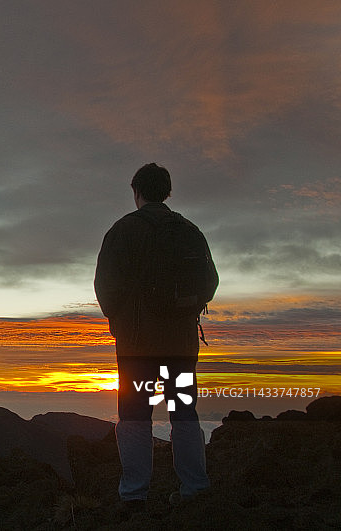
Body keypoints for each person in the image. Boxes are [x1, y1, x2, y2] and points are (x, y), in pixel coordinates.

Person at [94, 163, 218, 511]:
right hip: (180, 344)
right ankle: (196, 489)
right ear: (167, 192)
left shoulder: (123, 231)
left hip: (137, 347)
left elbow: (106, 288)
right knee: (182, 412)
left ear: (137, 192)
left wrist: (120, 318)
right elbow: (209, 283)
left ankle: (134, 495)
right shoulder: (189, 230)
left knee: (135, 415)